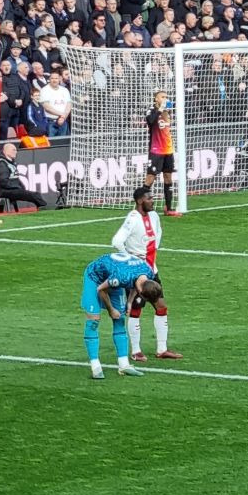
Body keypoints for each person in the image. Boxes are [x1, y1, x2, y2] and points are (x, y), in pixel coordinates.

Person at [111, 187, 183, 362]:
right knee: (135, 310)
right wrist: (130, 259)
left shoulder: (154, 216)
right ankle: (136, 351)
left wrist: (152, 250)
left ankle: (162, 348)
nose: (152, 200)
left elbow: (158, 233)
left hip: (152, 271)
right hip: (137, 275)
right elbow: (116, 241)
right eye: (149, 198)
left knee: (161, 306)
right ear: (139, 201)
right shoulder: (132, 219)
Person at [80, 253, 164, 380]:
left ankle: (124, 365)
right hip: (95, 277)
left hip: (114, 275)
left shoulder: (148, 273)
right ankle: (95, 366)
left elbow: (136, 285)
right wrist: (111, 309)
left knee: (119, 319)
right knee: (94, 320)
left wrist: (129, 302)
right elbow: (101, 290)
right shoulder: (122, 277)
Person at [144, 90, 180, 216]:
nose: (165, 98)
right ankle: (142, 207)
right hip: (156, 151)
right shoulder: (151, 110)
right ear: (156, 99)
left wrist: (164, 110)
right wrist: (160, 110)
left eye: (166, 97)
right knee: (150, 178)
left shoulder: (168, 111)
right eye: (162, 97)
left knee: (168, 178)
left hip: (168, 150)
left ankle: (168, 208)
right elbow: (151, 121)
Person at [0, 143, 47, 208]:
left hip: (10, 189)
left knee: (35, 194)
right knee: (34, 195)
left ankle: (42, 207)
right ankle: (44, 207)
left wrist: (21, 188)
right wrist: (18, 188)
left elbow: (15, 179)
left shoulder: (10, 162)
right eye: (13, 150)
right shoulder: (1, 163)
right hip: (3, 191)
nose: (16, 152)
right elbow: (4, 182)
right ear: (6, 151)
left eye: (16, 150)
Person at [39, 71, 72, 137]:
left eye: (56, 78)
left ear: (59, 79)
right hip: (51, 122)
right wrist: (62, 115)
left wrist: (63, 117)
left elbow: (69, 104)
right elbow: (47, 107)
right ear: (49, 79)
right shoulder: (44, 90)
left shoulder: (64, 90)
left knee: (64, 144)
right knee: (51, 144)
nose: (54, 80)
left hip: (63, 121)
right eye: (52, 78)